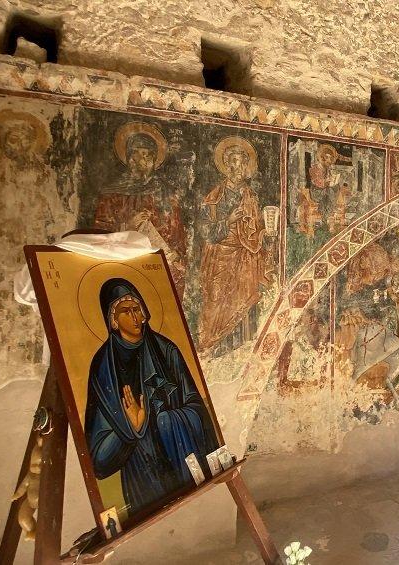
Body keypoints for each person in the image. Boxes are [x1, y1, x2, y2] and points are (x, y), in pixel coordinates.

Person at [85, 278, 219, 515]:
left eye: (137, 309)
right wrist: (132, 430)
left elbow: (197, 407)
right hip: (141, 473)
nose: (135, 317)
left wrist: (167, 422)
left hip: (180, 463)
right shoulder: (103, 367)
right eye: (126, 311)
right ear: (113, 321)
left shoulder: (167, 351)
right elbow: (98, 459)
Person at [197, 136, 272, 354]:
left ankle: (240, 351)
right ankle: (212, 346)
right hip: (219, 255)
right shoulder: (213, 197)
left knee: (245, 300)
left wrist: (265, 233)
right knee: (216, 300)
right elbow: (204, 230)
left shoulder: (251, 196)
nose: (236, 166)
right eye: (232, 161)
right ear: (226, 165)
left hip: (246, 257)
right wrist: (228, 221)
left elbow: (257, 229)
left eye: (240, 161)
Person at [94, 125, 187, 294]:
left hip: (159, 264)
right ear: (128, 158)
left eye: (146, 155)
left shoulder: (167, 193)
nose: (140, 161)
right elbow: (99, 236)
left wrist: (176, 253)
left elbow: (178, 232)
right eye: (135, 155)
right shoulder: (112, 193)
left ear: (154, 159)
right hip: (124, 262)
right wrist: (128, 225)